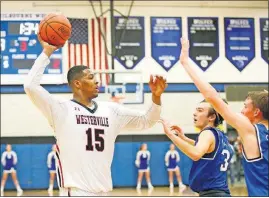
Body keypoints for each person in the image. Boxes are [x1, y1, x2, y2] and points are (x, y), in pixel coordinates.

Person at [24, 35, 167, 196]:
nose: (97, 82)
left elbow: (147, 121)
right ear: (77, 84)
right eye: (91, 78)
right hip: (76, 192)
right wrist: (47, 53)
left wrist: (156, 97)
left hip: (103, 192)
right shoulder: (60, 109)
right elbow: (30, 86)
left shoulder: (112, 111)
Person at [179, 37, 268, 196]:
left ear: (256, 112)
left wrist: (185, 62)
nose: (241, 111)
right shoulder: (219, 137)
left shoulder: (252, 131)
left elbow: (212, 97)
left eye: (245, 106)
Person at [159, 98, 234, 197]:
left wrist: (170, 135)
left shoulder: (207, 133)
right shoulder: (220, 135)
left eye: (200, 110)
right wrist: (184, 138)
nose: (194, 113)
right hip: (220, 192)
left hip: (211, 193)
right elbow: (207, 149)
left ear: (211, 117)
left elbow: (196, 154)